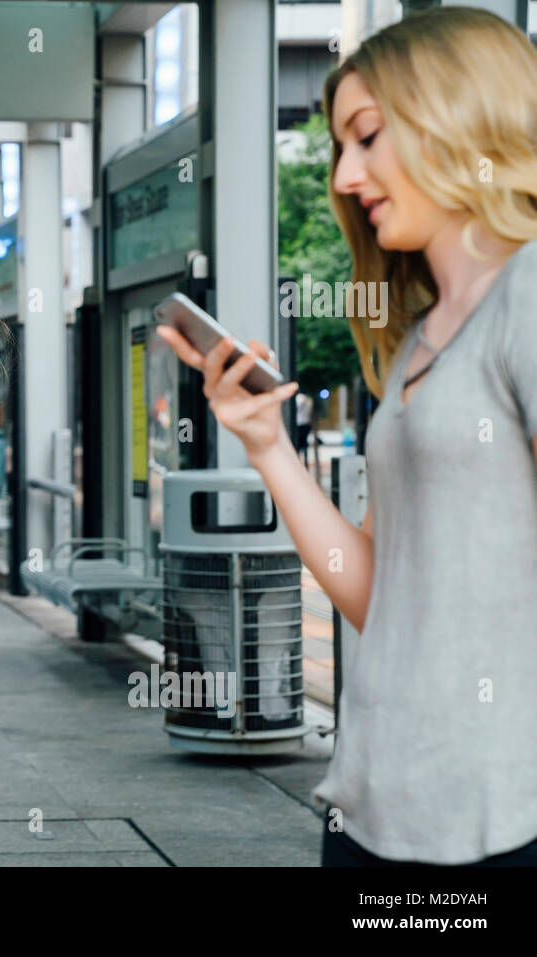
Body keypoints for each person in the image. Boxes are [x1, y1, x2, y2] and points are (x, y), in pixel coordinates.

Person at [156, 7, 537, 867]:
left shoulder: (529, 294)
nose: (345, 173)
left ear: (466, 119)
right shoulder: (420, 342)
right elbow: (381, 596)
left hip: (502, 826)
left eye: (367, 137)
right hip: (375, 811)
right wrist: (267, 447)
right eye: (340, 145)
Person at [293, 391, 313, 466]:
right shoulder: (309, 399)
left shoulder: (299, 398)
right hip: (306, 423)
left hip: (299, 423)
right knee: (304, 444)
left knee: (298, 443)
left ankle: (298, 460)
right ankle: (305, 460)